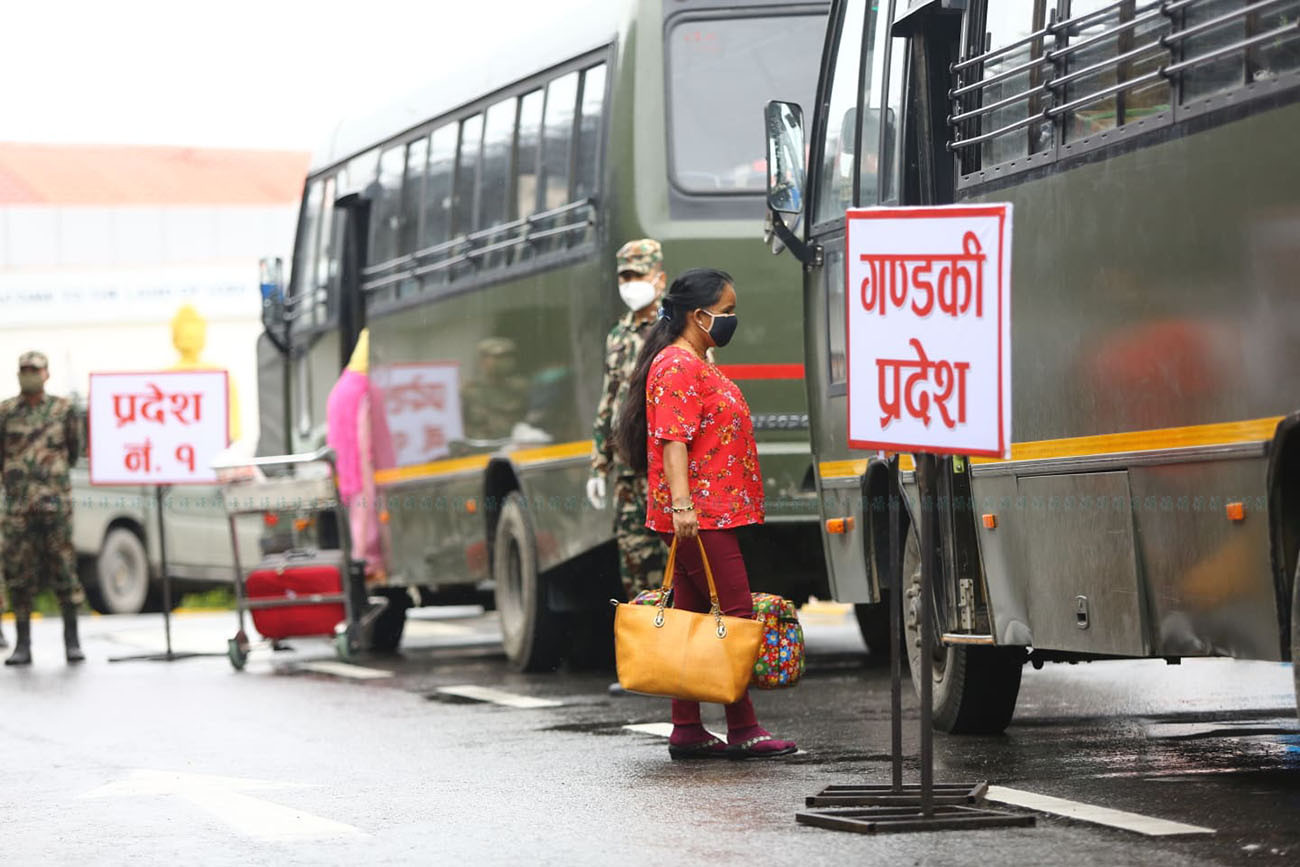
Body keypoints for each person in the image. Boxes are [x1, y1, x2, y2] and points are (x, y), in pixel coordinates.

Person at [614, 269, 797, 759]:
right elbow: (673, 439)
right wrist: (682, 507)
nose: (733, 319)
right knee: (734, 615)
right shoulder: (677, 365)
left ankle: (687, 728)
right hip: (701, 515)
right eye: (728, 310)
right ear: (699, 316)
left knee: (691, 615)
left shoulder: (696, 360)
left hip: (710, 511)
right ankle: (743, 728)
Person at [589, 239, 669, 601]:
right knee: (634, 564)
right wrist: (599, 464)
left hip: (667, 466)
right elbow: (608, 401)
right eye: (625, 277)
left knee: (674, 561)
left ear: (659, 278)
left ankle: (677, 647)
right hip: (626, 472)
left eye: (639, 274)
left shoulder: (676, 330)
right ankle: (645, 648)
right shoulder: (617, 336)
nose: (631, 283)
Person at [1, 351, 86, 666]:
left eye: (34, 370)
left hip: (55, 504)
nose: (29, 374)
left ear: (46, 374)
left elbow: (74, 450)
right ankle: (23, 644)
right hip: (18, 506)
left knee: (63, 568)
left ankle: (72, 641)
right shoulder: (6, 412)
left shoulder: (63, 410)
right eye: (24, 369)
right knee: (19, 574)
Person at [325, 330, 384, 580]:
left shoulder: (342, 387)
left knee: (358, 514)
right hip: (361, 463)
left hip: (345, 466)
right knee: (366, 511)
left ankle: (363, 560)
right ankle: (368, 562)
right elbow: (365, 435)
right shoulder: (362, 389)